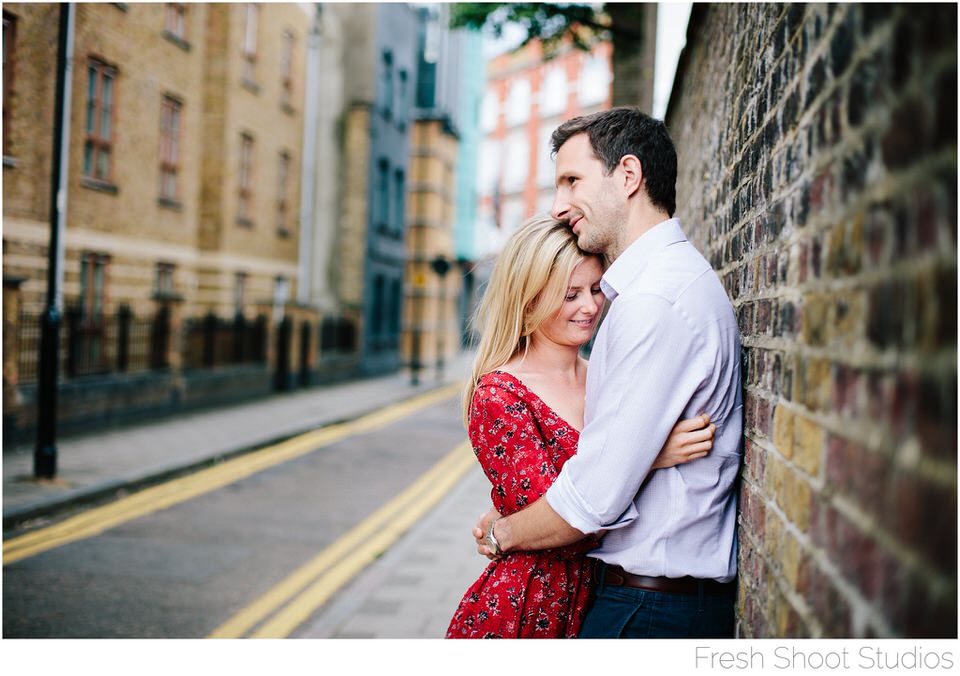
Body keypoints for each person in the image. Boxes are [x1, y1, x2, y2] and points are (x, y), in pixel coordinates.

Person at [473, 108, 743, 638]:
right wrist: (648, 453)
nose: (558, 205)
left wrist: (501, 533)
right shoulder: (655, 290)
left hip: (650, 609)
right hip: (641, 599)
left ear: (627, 176)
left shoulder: (653, 301)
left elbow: (589, 500)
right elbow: (599, 468)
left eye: (572, 180)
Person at [446, 215, 716, 638]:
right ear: (530, 300)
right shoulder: (499, 395)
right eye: (570, 295)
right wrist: (651, 454)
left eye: (596, 289)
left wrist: (504, 523)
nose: (589, 307)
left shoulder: (607, 375)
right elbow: (569, 525)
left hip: (595, 598)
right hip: (528, 606)